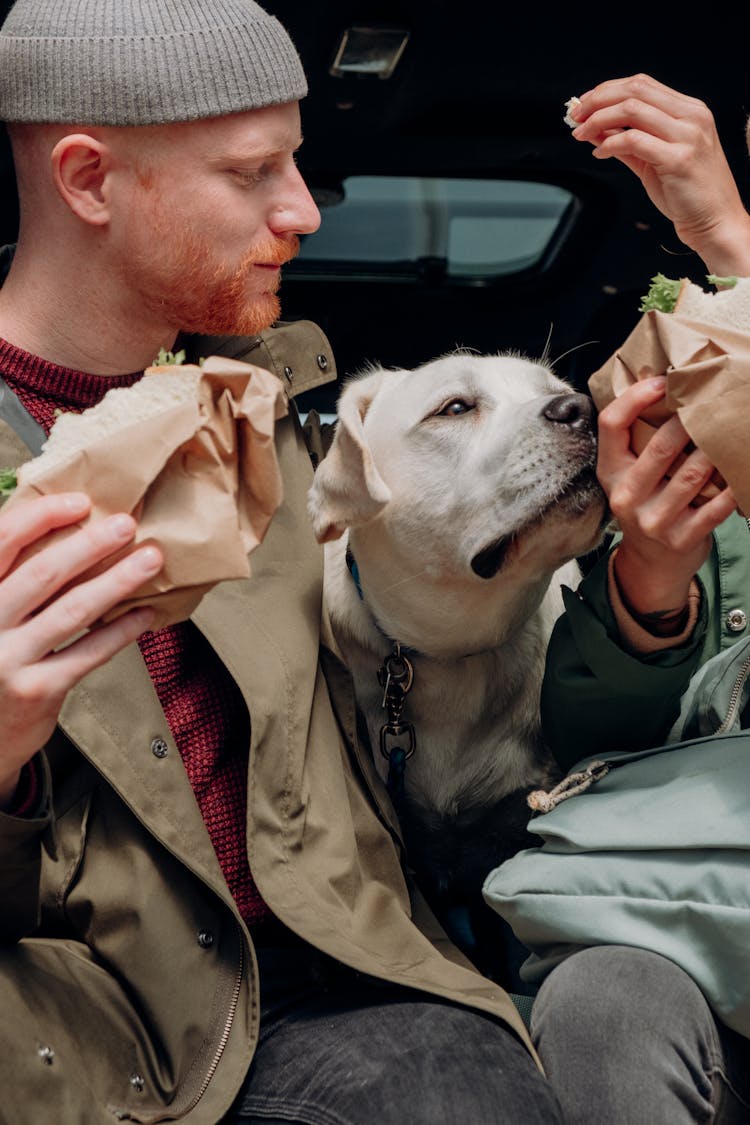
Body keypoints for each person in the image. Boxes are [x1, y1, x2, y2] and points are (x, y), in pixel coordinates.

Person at [0, 2, 565, 1123]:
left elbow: (432, 671)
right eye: (252, 172)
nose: (303, 209)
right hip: (102, 1048)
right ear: (88, 181)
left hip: (350, 987)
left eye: (296, 162)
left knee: (455, 1080)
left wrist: (643, 581)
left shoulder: (298, 432)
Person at [533, 74, 750, 1122]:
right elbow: (596, 757)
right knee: (600, 1002)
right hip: (708, 905)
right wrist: (650, 587)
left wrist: (735, 247)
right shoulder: (690, 385)